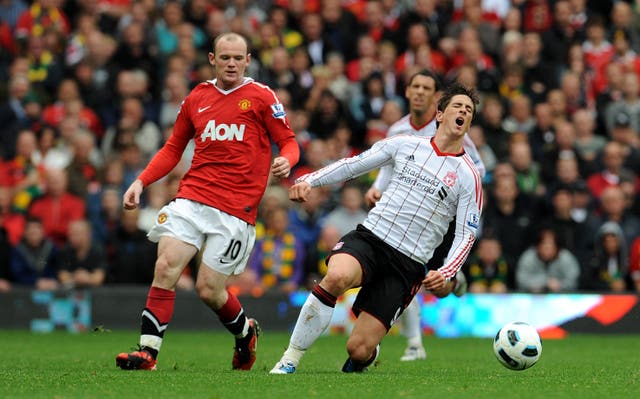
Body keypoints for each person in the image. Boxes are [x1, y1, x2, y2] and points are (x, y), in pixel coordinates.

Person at [115, 32, 300, 371]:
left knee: (209, 289)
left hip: (235, 210)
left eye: (238, 58)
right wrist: (141, 181)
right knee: (166, 266)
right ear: (213, 59)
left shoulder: (261, 97)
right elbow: (173, 148)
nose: (231, 63)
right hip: (192, 197)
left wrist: (287, 159)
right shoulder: (197, 97)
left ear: (248, 60)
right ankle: (147, 353)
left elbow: (289, 141)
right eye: (224, 57)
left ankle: (245, 334)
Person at [270, 83, 483, 374]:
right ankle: (290, 359)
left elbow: (466, 233)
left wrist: (446, 271)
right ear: (440, 114)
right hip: (372, 238)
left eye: (469, 110)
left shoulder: (468, 175)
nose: (464, 112)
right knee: (337, 276)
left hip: (407, 263)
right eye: (458, 106)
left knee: (357, 350)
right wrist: (311, 180)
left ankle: (367, 353)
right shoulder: (404, 144)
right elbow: (353, 165)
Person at [363, 69, 485, 362]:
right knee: (406, 274)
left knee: (438, 285)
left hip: (443, 216)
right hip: (407, 213)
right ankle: (415, 343)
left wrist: (448, 189)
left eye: (426, 88)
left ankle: (456, 280)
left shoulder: (454, 127)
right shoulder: (397, 130)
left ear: (435, 98)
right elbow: (388, 164)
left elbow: (477, 169)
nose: (419, 92)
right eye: (414, 86)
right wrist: (378, 188)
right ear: (406, 92)